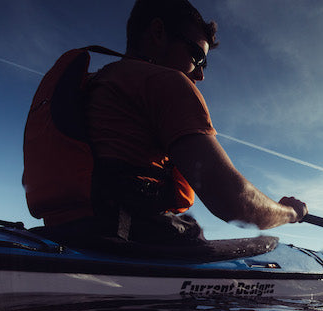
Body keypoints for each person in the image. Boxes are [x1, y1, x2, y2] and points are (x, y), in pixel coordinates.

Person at [68, 0, 307, 246]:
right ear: (158, 33)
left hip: (68, 232)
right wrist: (289, 212)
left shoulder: (98, 82)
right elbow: (235, 203)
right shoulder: (165, 82)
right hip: (122, 240)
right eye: (197, 56)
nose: (201, 74)